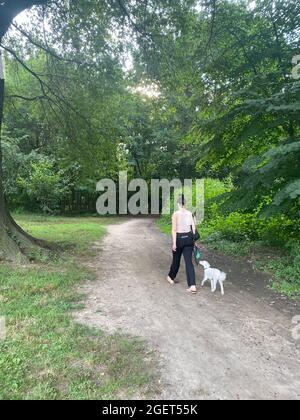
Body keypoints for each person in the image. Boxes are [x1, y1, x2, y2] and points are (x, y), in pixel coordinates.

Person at [167, 195, 197, 294]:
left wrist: (174, 243)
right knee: (189, 262)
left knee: (176, 260)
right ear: (185, 204)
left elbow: (174, 229)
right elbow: (193, 228)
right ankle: (192, 285)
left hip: (179, 238)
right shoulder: (190, 214)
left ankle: (170, 277)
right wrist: (194, 241)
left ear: (178, 204)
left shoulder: (175, 214)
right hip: (189, 239)